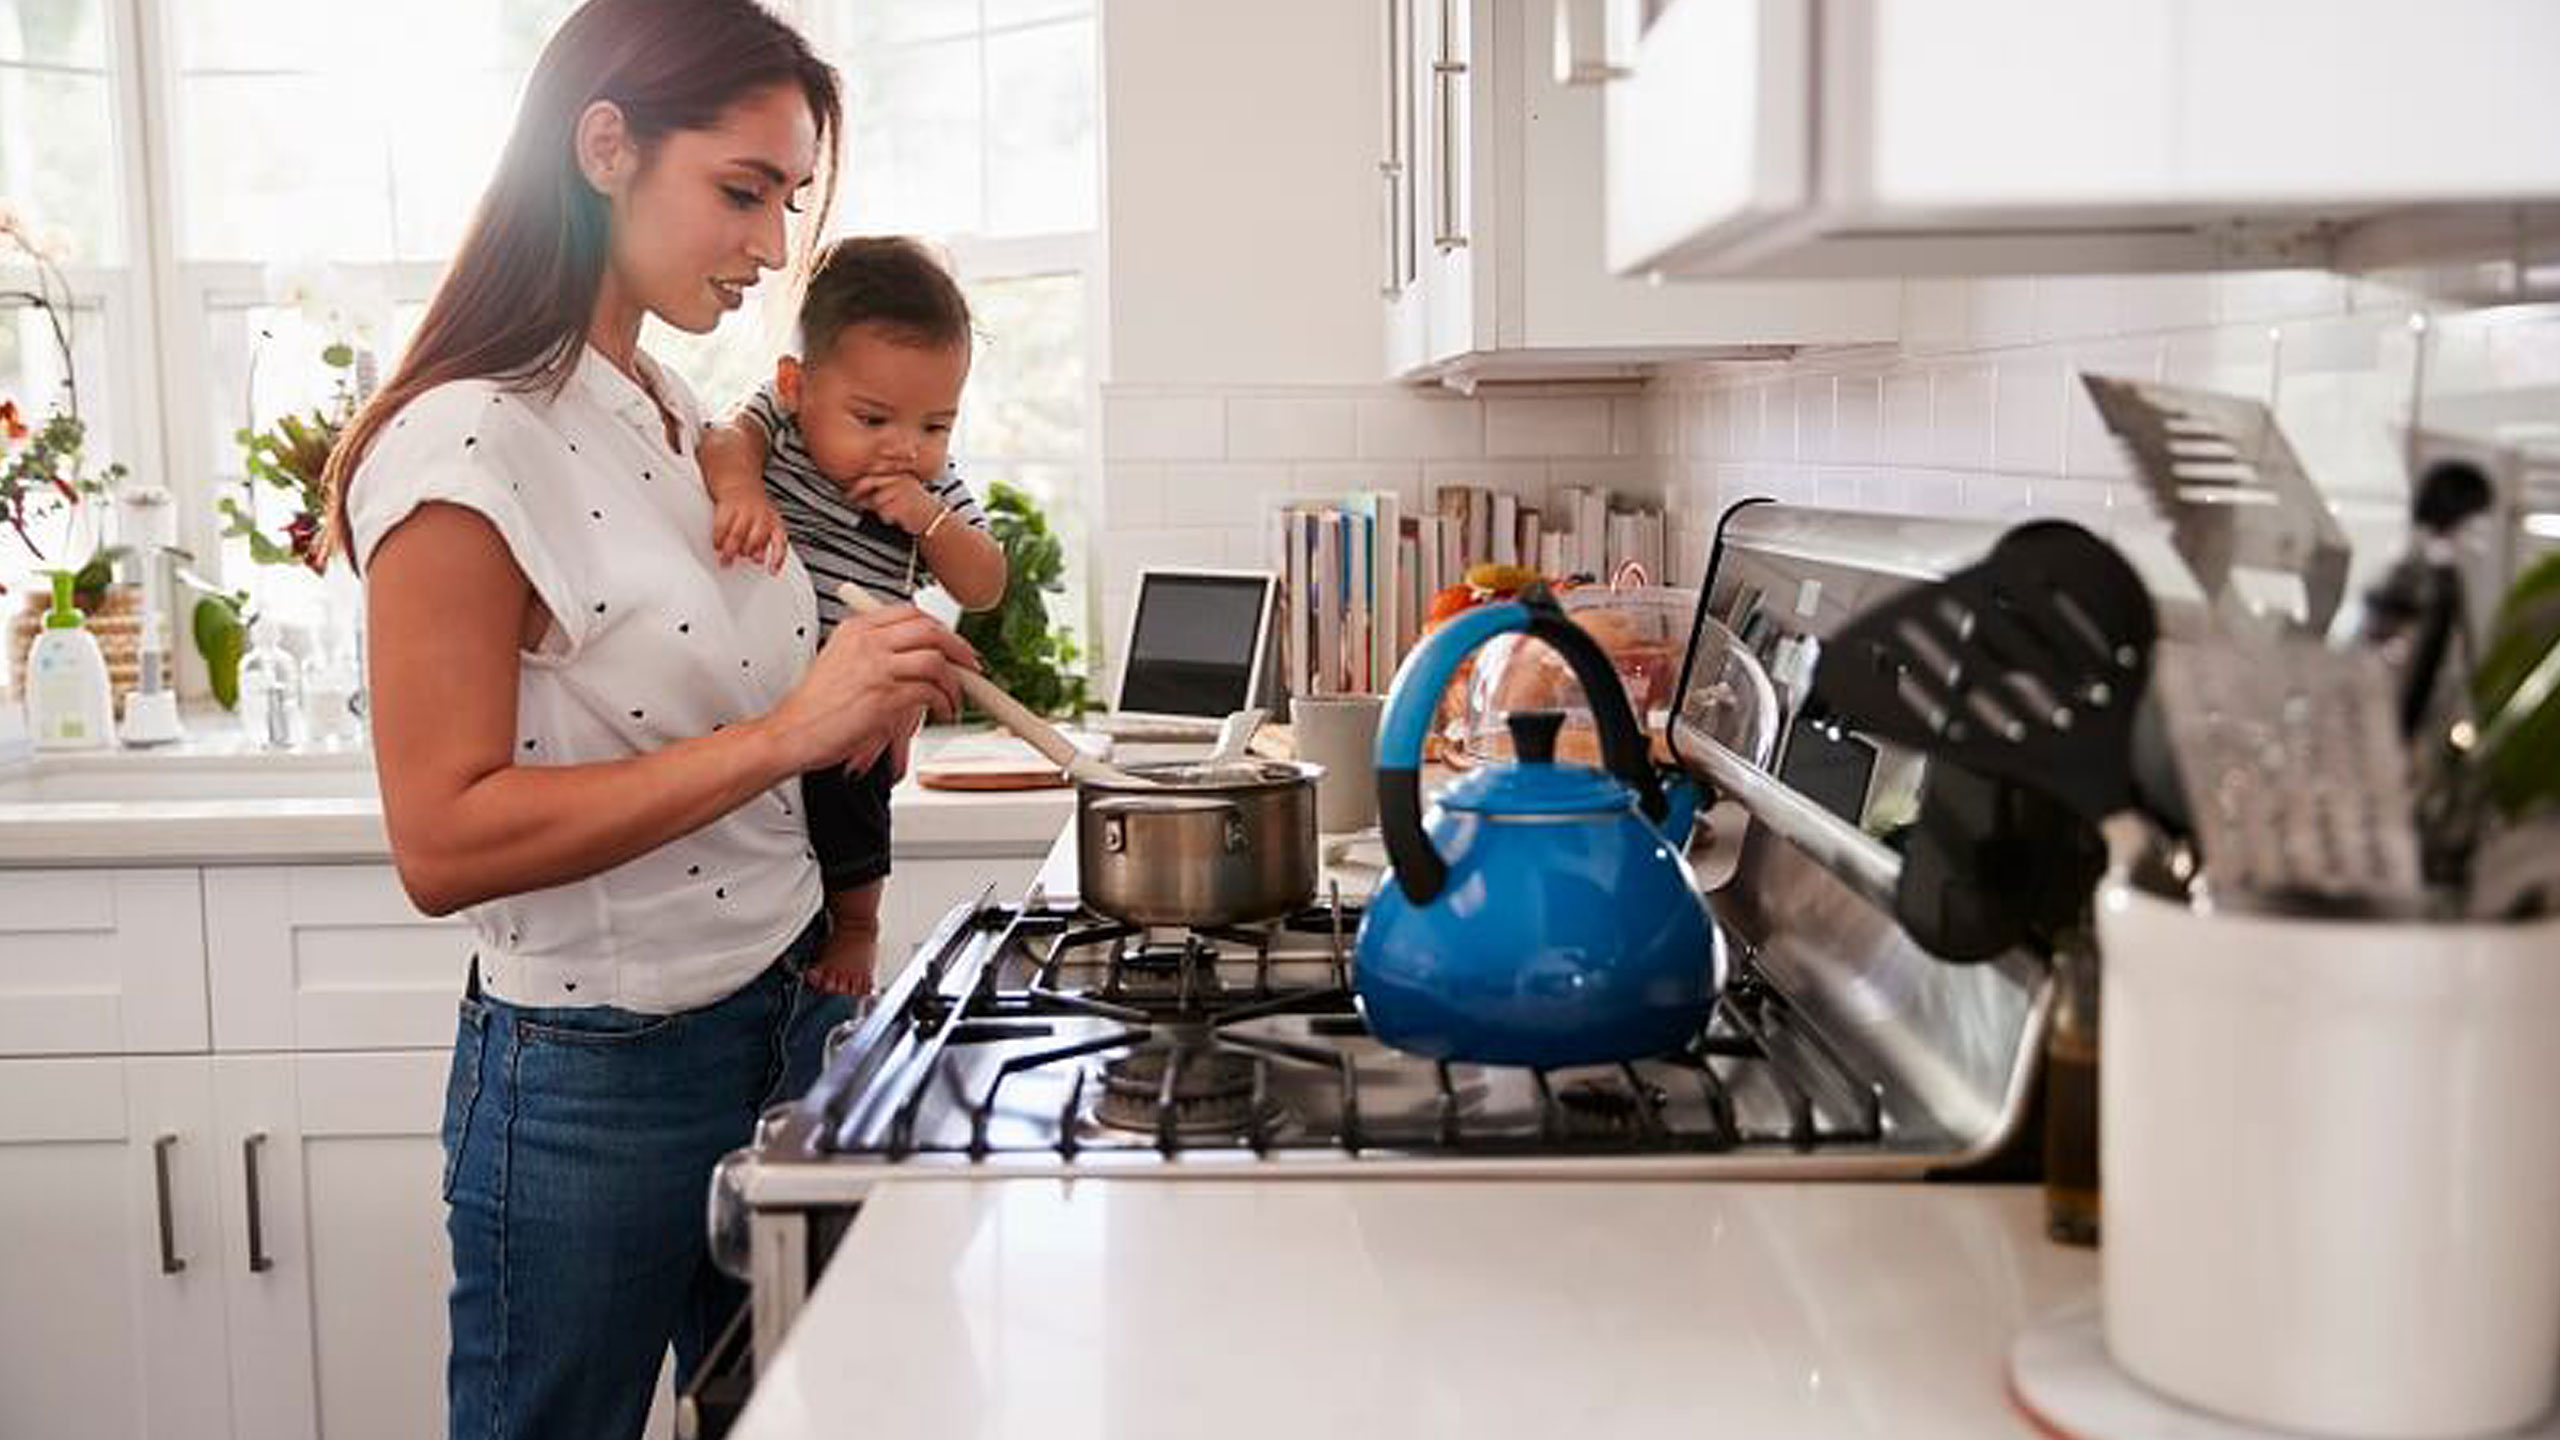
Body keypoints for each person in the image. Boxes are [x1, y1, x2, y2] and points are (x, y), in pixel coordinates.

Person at [316, 2, 978, 1435]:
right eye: (740, 191)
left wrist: (863, 690)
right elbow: (441, 841)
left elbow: (728, 687)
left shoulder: (677, 411)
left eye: (786, 202)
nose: (767, 245)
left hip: (786, 1018)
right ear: (605, 145)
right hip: (590, 1089)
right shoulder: (462, 441)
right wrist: (791, 732)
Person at [699, 235, 1008, 995]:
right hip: (759, 691)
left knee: (853, 800)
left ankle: (859, 924)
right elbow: (722, 442)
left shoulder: (930, 495)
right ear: (797, 386)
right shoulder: (776, 424)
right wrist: (741, 492)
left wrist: (927, 521)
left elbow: (986, 583)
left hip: (854, 697)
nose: (905, 448)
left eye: (935, 427)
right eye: (873, 420)